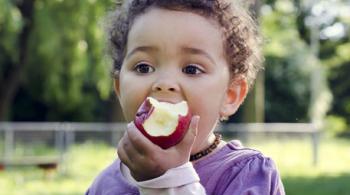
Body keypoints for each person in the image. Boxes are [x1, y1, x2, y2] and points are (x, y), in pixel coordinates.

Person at [86, 0, 285, 194]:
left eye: (191, 69)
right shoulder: (104, 185)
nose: (164, 83)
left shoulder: (248, 176)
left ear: (230, 95)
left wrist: (168, 181)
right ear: (120, 88)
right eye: (143, 67)